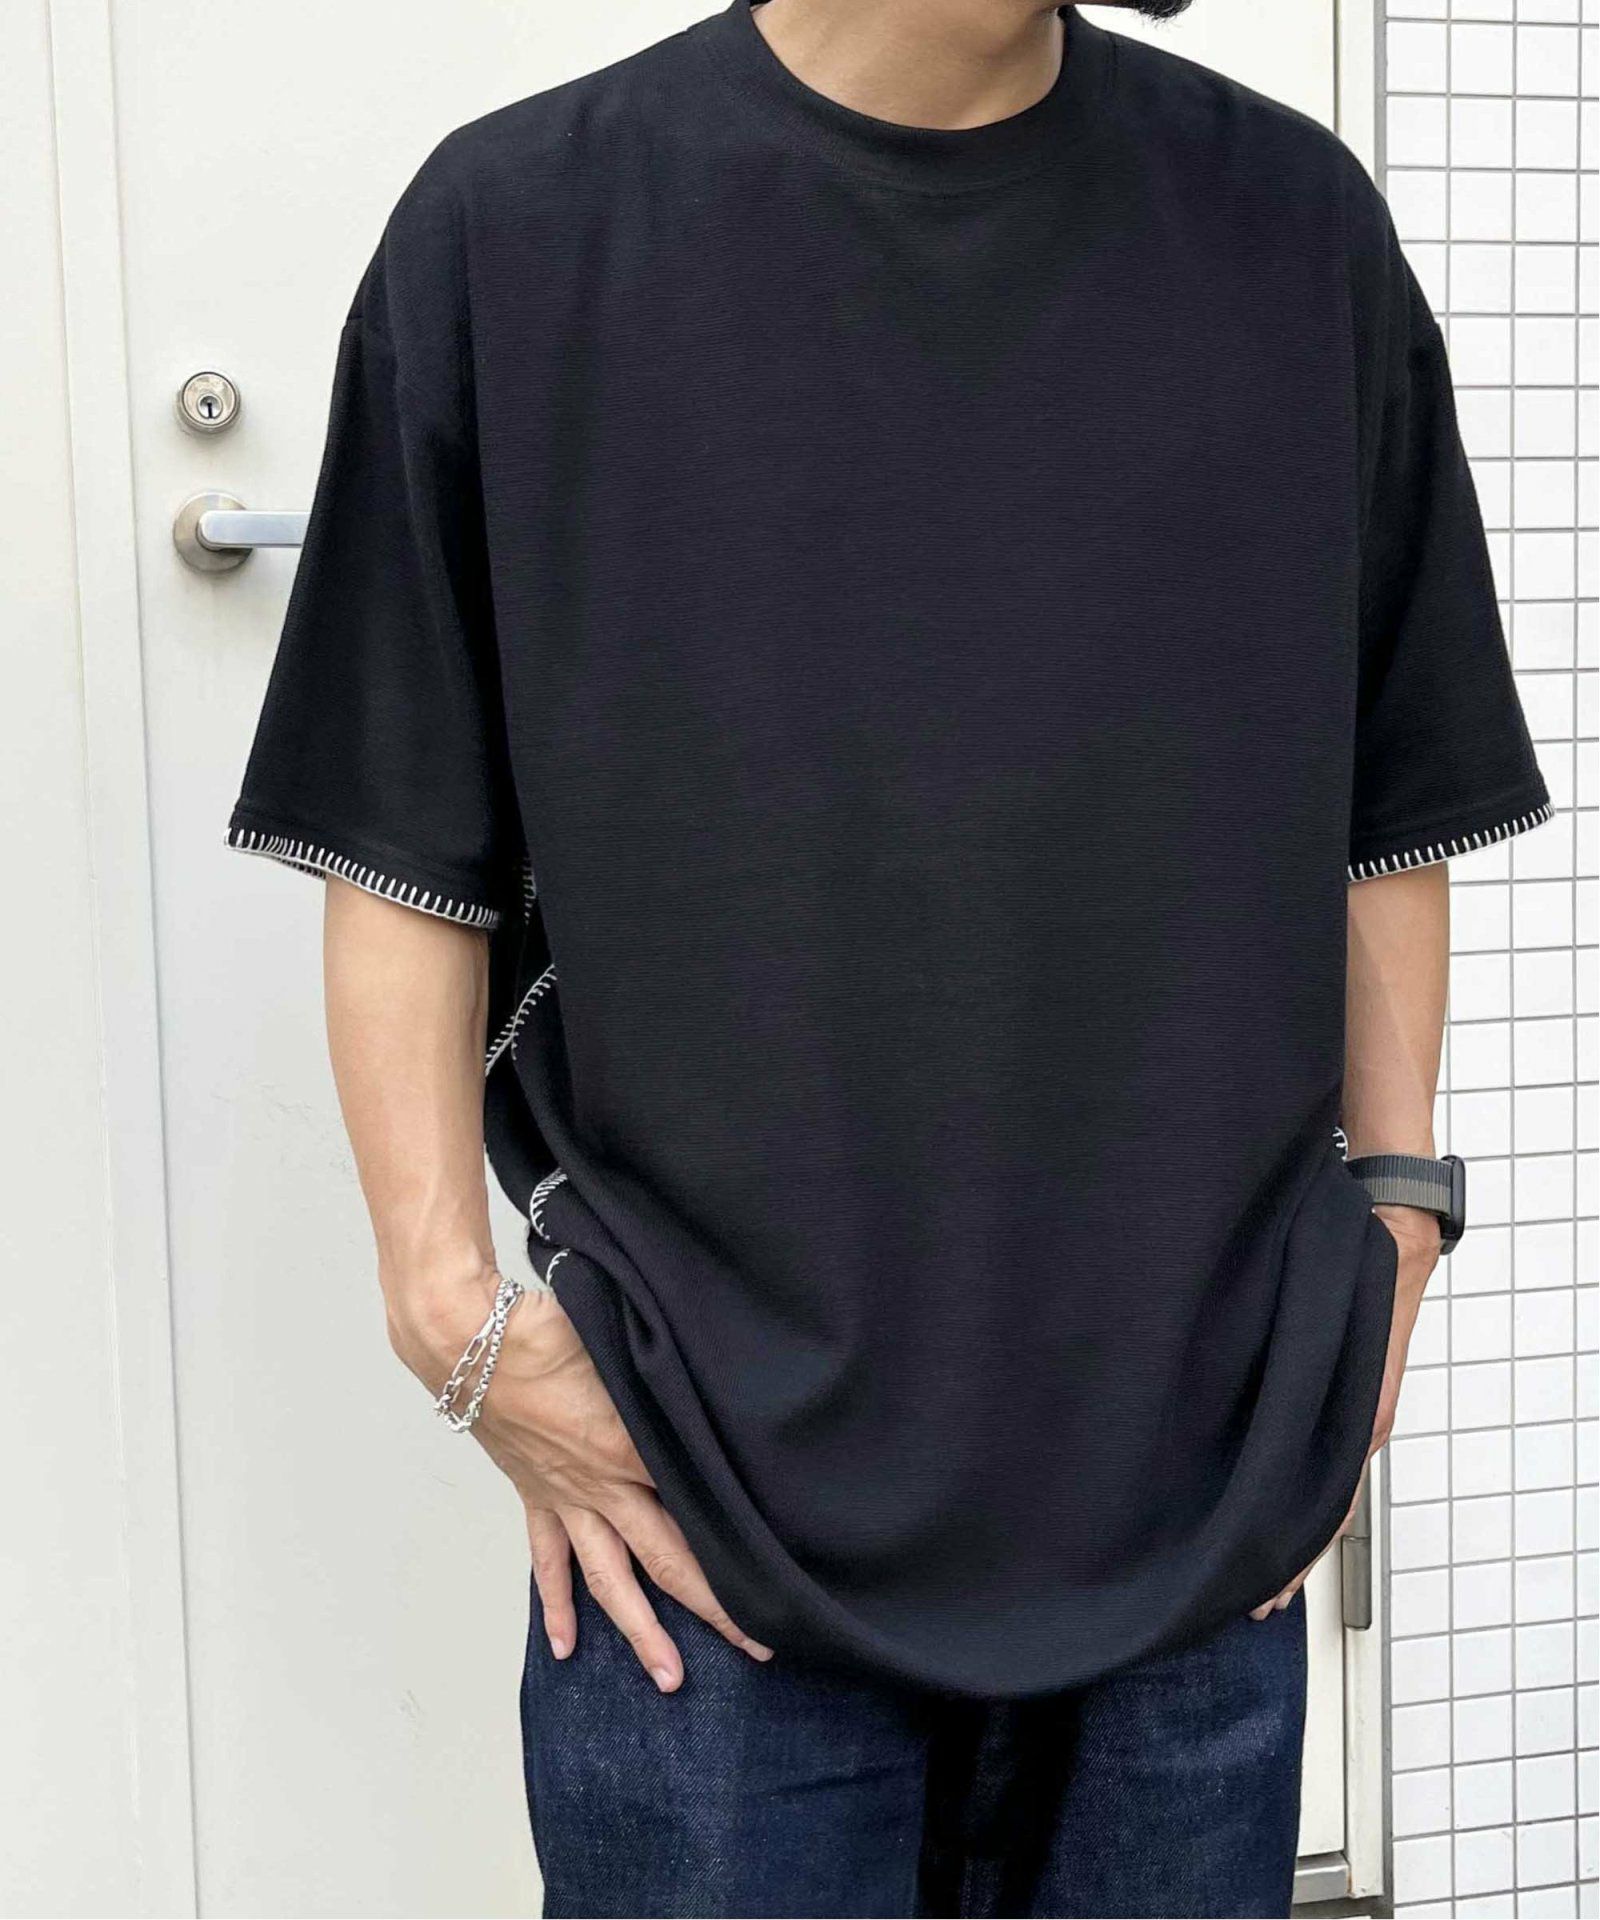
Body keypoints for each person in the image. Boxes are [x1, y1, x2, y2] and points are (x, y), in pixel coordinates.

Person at [225, 0, 1551, 1912]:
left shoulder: (1292, 227)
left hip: (1201, 1462)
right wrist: (452, 1318)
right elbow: (398, 827)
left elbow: (1391, 799)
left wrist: (1396, 1224)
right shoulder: (518, 232)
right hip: (703, 1491)